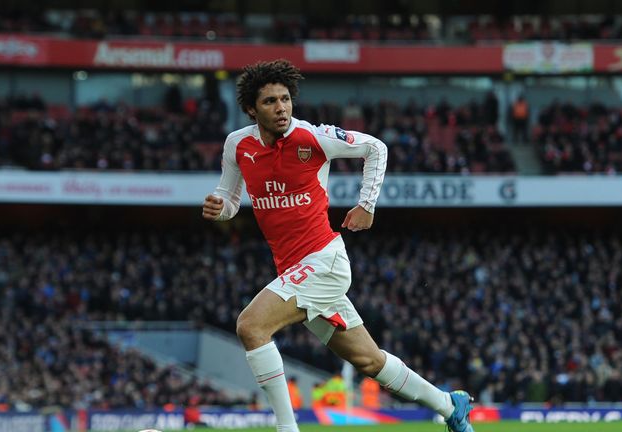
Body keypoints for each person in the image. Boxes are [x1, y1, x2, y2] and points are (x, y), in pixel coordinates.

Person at [202, 59, 474, 432]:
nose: (281, 108)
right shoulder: (238, 145)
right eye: (269, 102)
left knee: (251, 326)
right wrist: (219, 209)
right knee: (368, 361)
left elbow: (375, 148)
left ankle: (287, 429)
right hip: (295, 270)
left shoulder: (312, 137)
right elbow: (229, 201)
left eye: (285, 99)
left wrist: (366, 205)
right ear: (251, 108)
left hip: (324, 261)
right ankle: (449, 405)